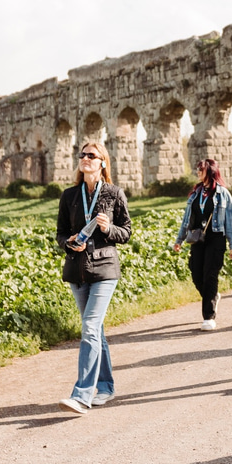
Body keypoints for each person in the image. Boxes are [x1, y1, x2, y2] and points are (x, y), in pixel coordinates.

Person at [56, 141, 132, 415]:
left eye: (91, 155)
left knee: (89, 327)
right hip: (77, 270)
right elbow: (60, 233)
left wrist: (108, 228)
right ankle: (107, 386)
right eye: (82, 155)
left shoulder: (113, 193)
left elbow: (126, 232)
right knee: (95, 330)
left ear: (102, 162)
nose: (85, 158)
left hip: (104, 270)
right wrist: (70, 242)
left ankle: (82, 395)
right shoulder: (69, 196)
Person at [173, 158, 232, 331]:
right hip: (197, 239)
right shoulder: (196, 193)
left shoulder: (223, 193)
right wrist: (179, 239)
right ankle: (213, 296)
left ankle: (208, 316)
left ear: (210, 171)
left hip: (216, 238)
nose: (198, 173)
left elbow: (231, 221)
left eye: (201, 170)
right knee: (196, 273)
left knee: (210, 275)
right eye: (197, 170)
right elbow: (186, 219)